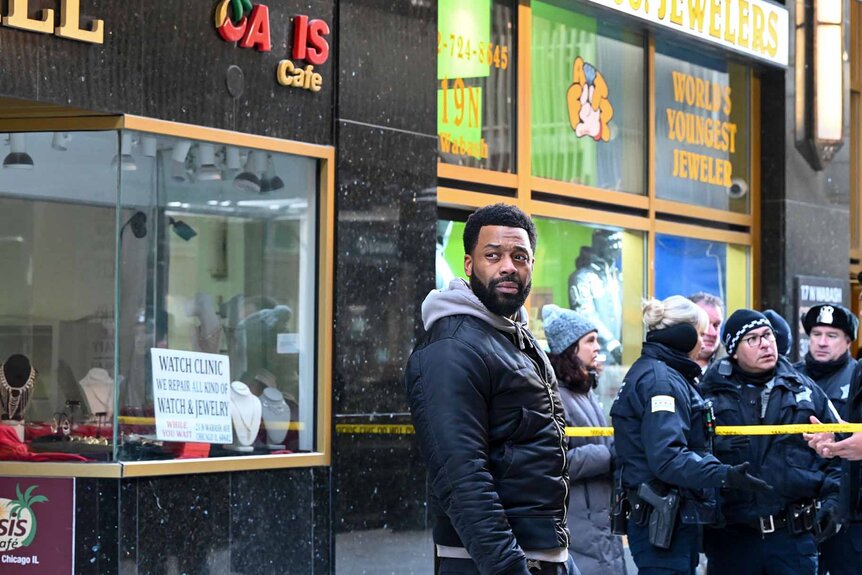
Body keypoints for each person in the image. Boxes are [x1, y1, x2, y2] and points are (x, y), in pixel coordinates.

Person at [405, 204, 577, 575]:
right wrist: (509, 567)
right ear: (469, 265)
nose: (508, 266)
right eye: (493, 255)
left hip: (543, 555)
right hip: (487, 563)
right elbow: (461, 477)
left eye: (519, 256)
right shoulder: (452, 346)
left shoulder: (515, 339)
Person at [610, 296, 770, 575]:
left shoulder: (666, 375)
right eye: (700, 332)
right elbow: (668, 458)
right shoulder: (662, 382)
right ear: (684, 336)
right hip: (662, 523)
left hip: (672, 520)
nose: (705, 340)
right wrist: (724, 474)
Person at [700, 309, 842, 575]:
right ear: (733, 350)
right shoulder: (708, 395)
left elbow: (839, 451)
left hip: (793, 539)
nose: (765, 344)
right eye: (752, 339)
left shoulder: (806, 391)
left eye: (767, 335)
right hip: (732, 540)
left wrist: (835, 502)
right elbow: (688, 457)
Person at [542, 304, 626, 575]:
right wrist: (611, 455)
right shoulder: (553, 398)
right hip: (578, 520)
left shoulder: (585, 392)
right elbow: (553, 461)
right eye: (590, 341)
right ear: (570, 349)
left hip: (599, 517)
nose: (597, 347)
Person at [796, 304, 860, 575]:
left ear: (848, 341)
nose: (822, 342)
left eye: (832, 335)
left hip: (843, 500)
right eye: (816, 334)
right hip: (797, 501)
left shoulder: (855, 375)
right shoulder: (791, 376)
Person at [568, 230, 622, 364]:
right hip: (594, 353)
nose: (617, 248)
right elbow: (586, 313)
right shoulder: (582, 277)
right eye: (613, 243)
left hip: (619, 351)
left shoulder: (617, 276)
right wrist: (611, 342)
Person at [688, 292, 724, 371]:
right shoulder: (665, 367)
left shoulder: (736, 368)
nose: (713, 333)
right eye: (705, 324)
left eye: (716, 325)